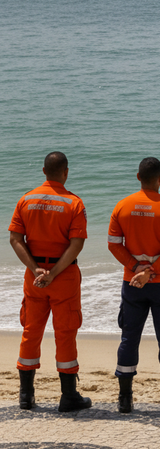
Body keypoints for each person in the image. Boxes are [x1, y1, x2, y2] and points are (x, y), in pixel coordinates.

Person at [107, 157, 160, 415]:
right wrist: (152, 271)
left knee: (128, 337)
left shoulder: (122, 206)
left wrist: (136, 268)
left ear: (138, 177)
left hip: (132, 283)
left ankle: (125, 400)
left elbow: (114, 244)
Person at [8, 151, 92, 412]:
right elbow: (76, 244)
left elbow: (15, 239)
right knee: (65, 333)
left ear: (44, 171)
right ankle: (68, 397)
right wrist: (53, 273)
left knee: (31, 330)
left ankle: (26, 395)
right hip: (63, 275)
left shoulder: (26, 199)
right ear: (66, 172)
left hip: (34, 277)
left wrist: (36, 270)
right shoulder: (73, 203)